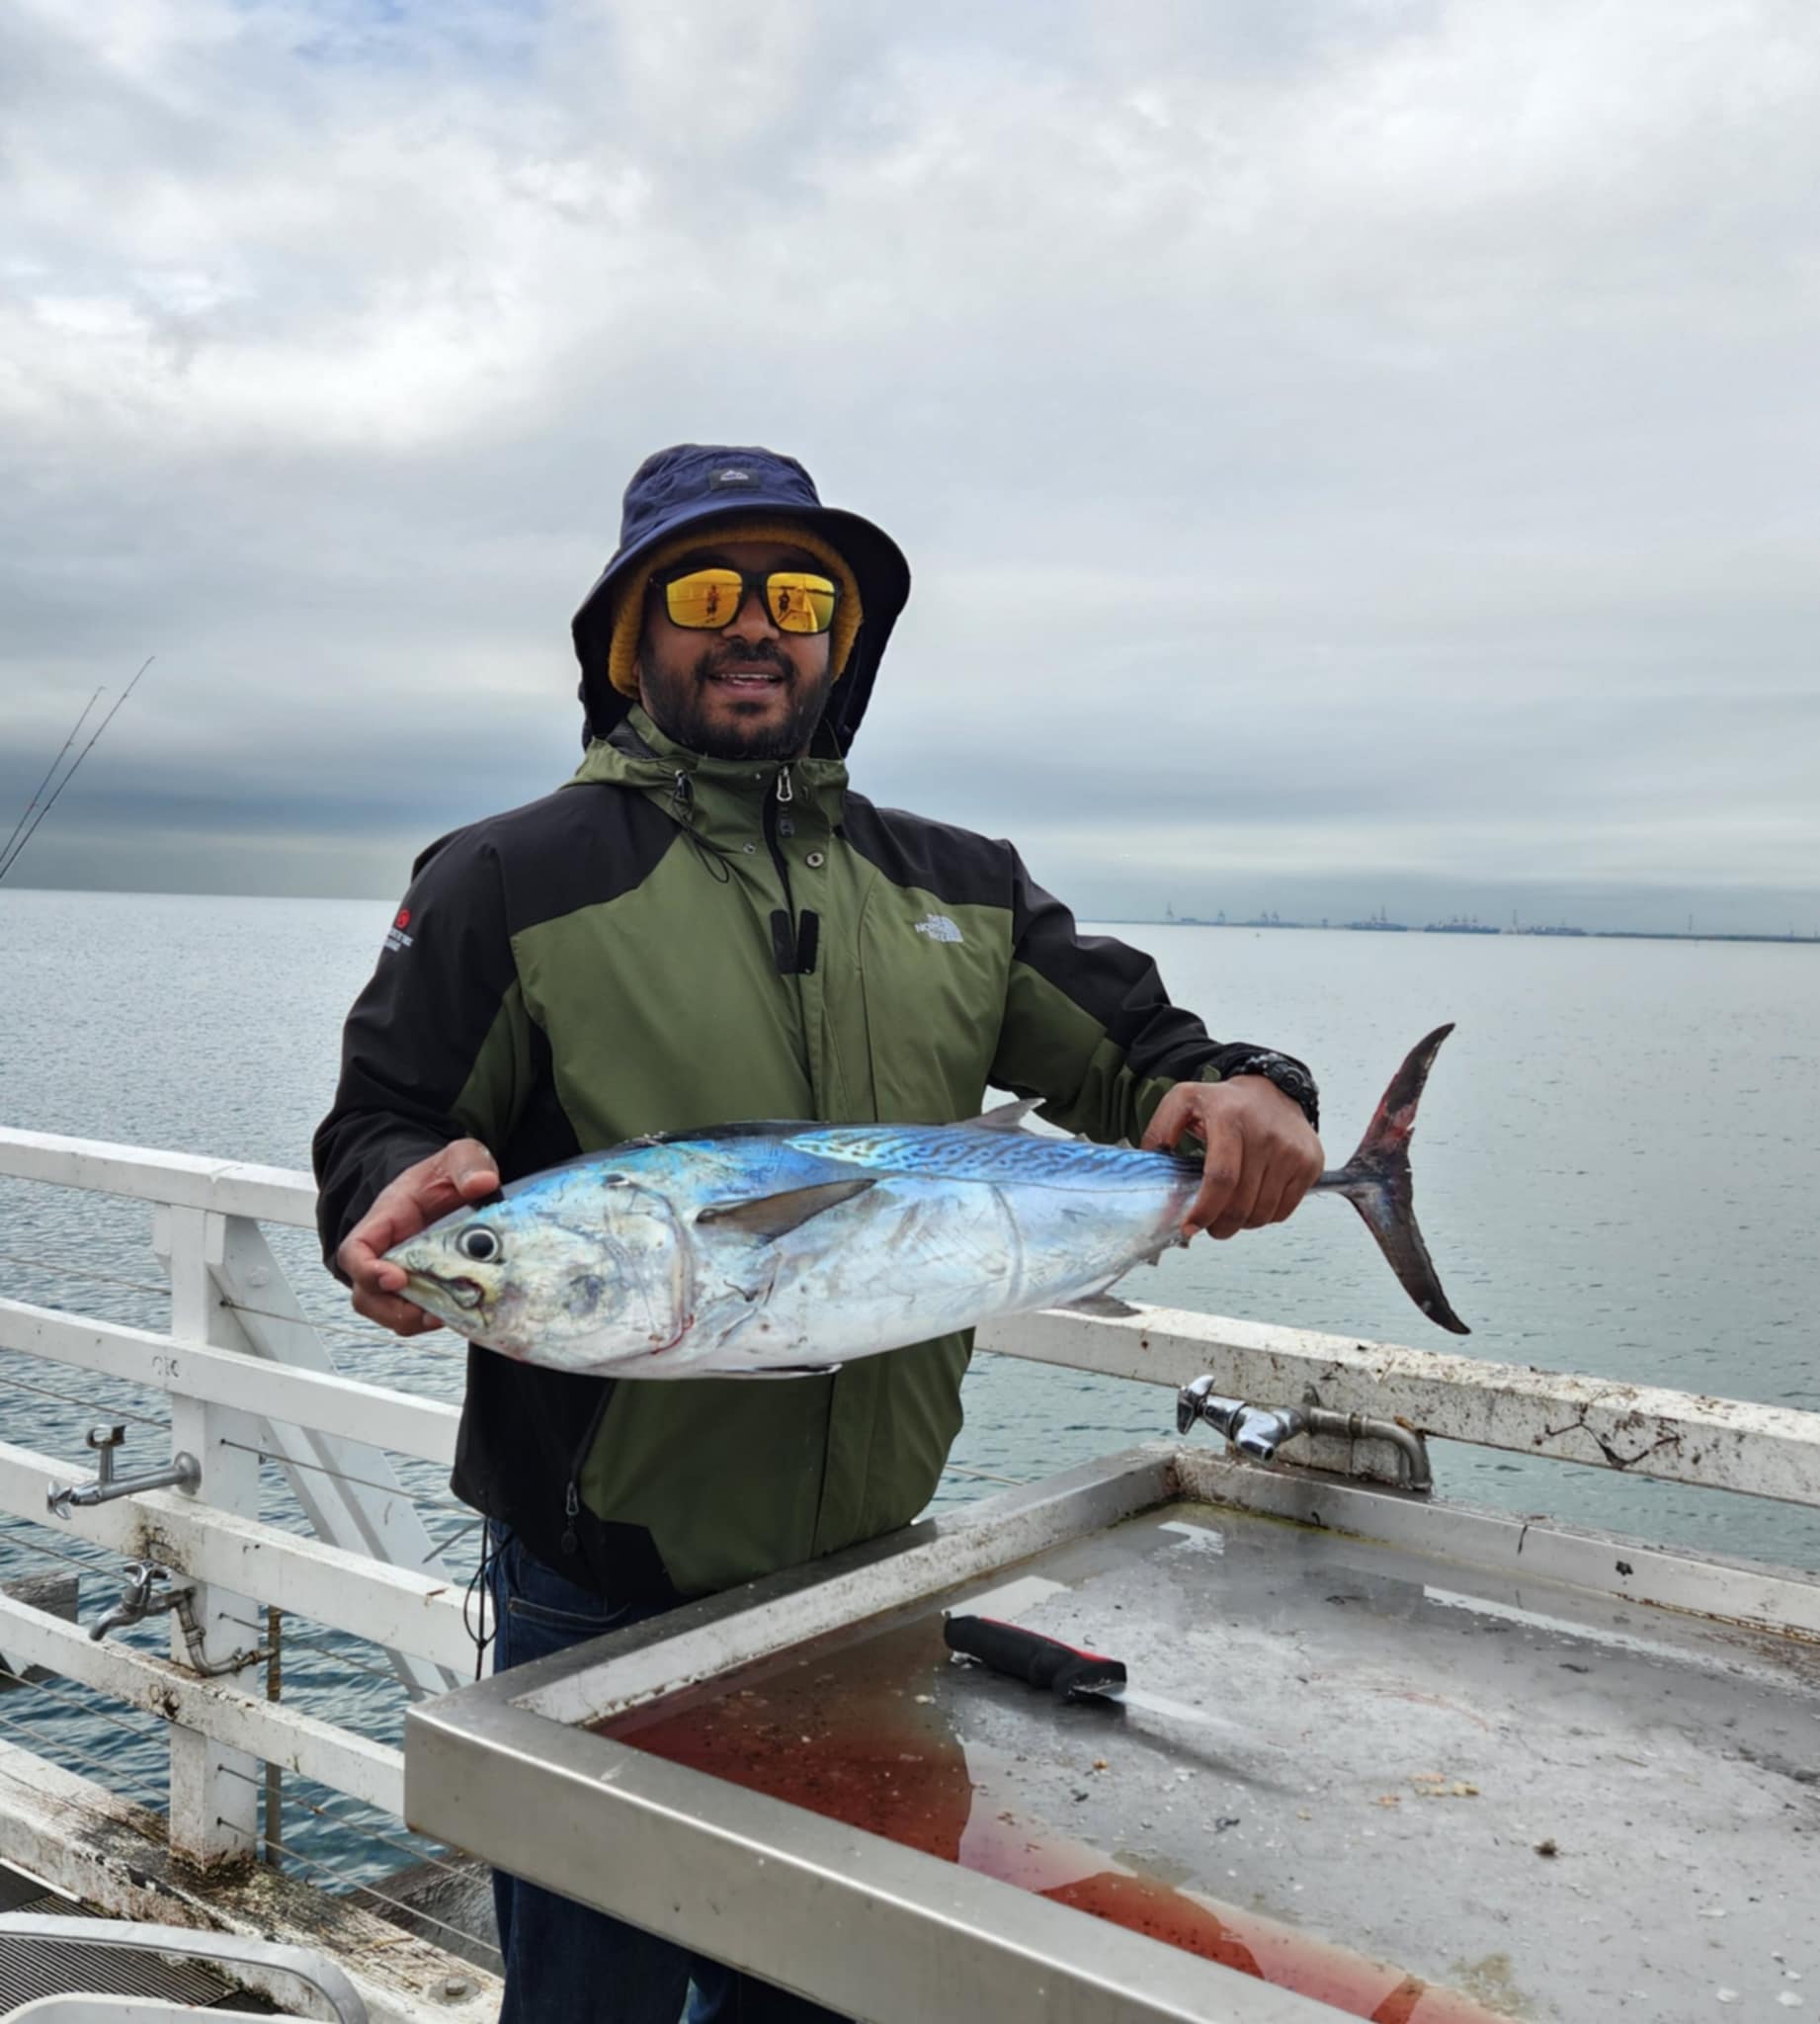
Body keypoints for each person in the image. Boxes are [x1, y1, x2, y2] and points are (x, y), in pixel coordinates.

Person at [312, 443, 1324, 2023]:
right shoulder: (506, 876)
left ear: (841, 640)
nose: (753, 625)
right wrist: (388, 1190)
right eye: (704, 593)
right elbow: (382, 1117)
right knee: (591, 1995)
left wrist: (1251, 1087)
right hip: (604, 1559)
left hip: (870, 1560)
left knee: (825, 1985)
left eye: (797, 596)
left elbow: (1145, 1058)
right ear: (629, 636)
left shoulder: (961, 886)